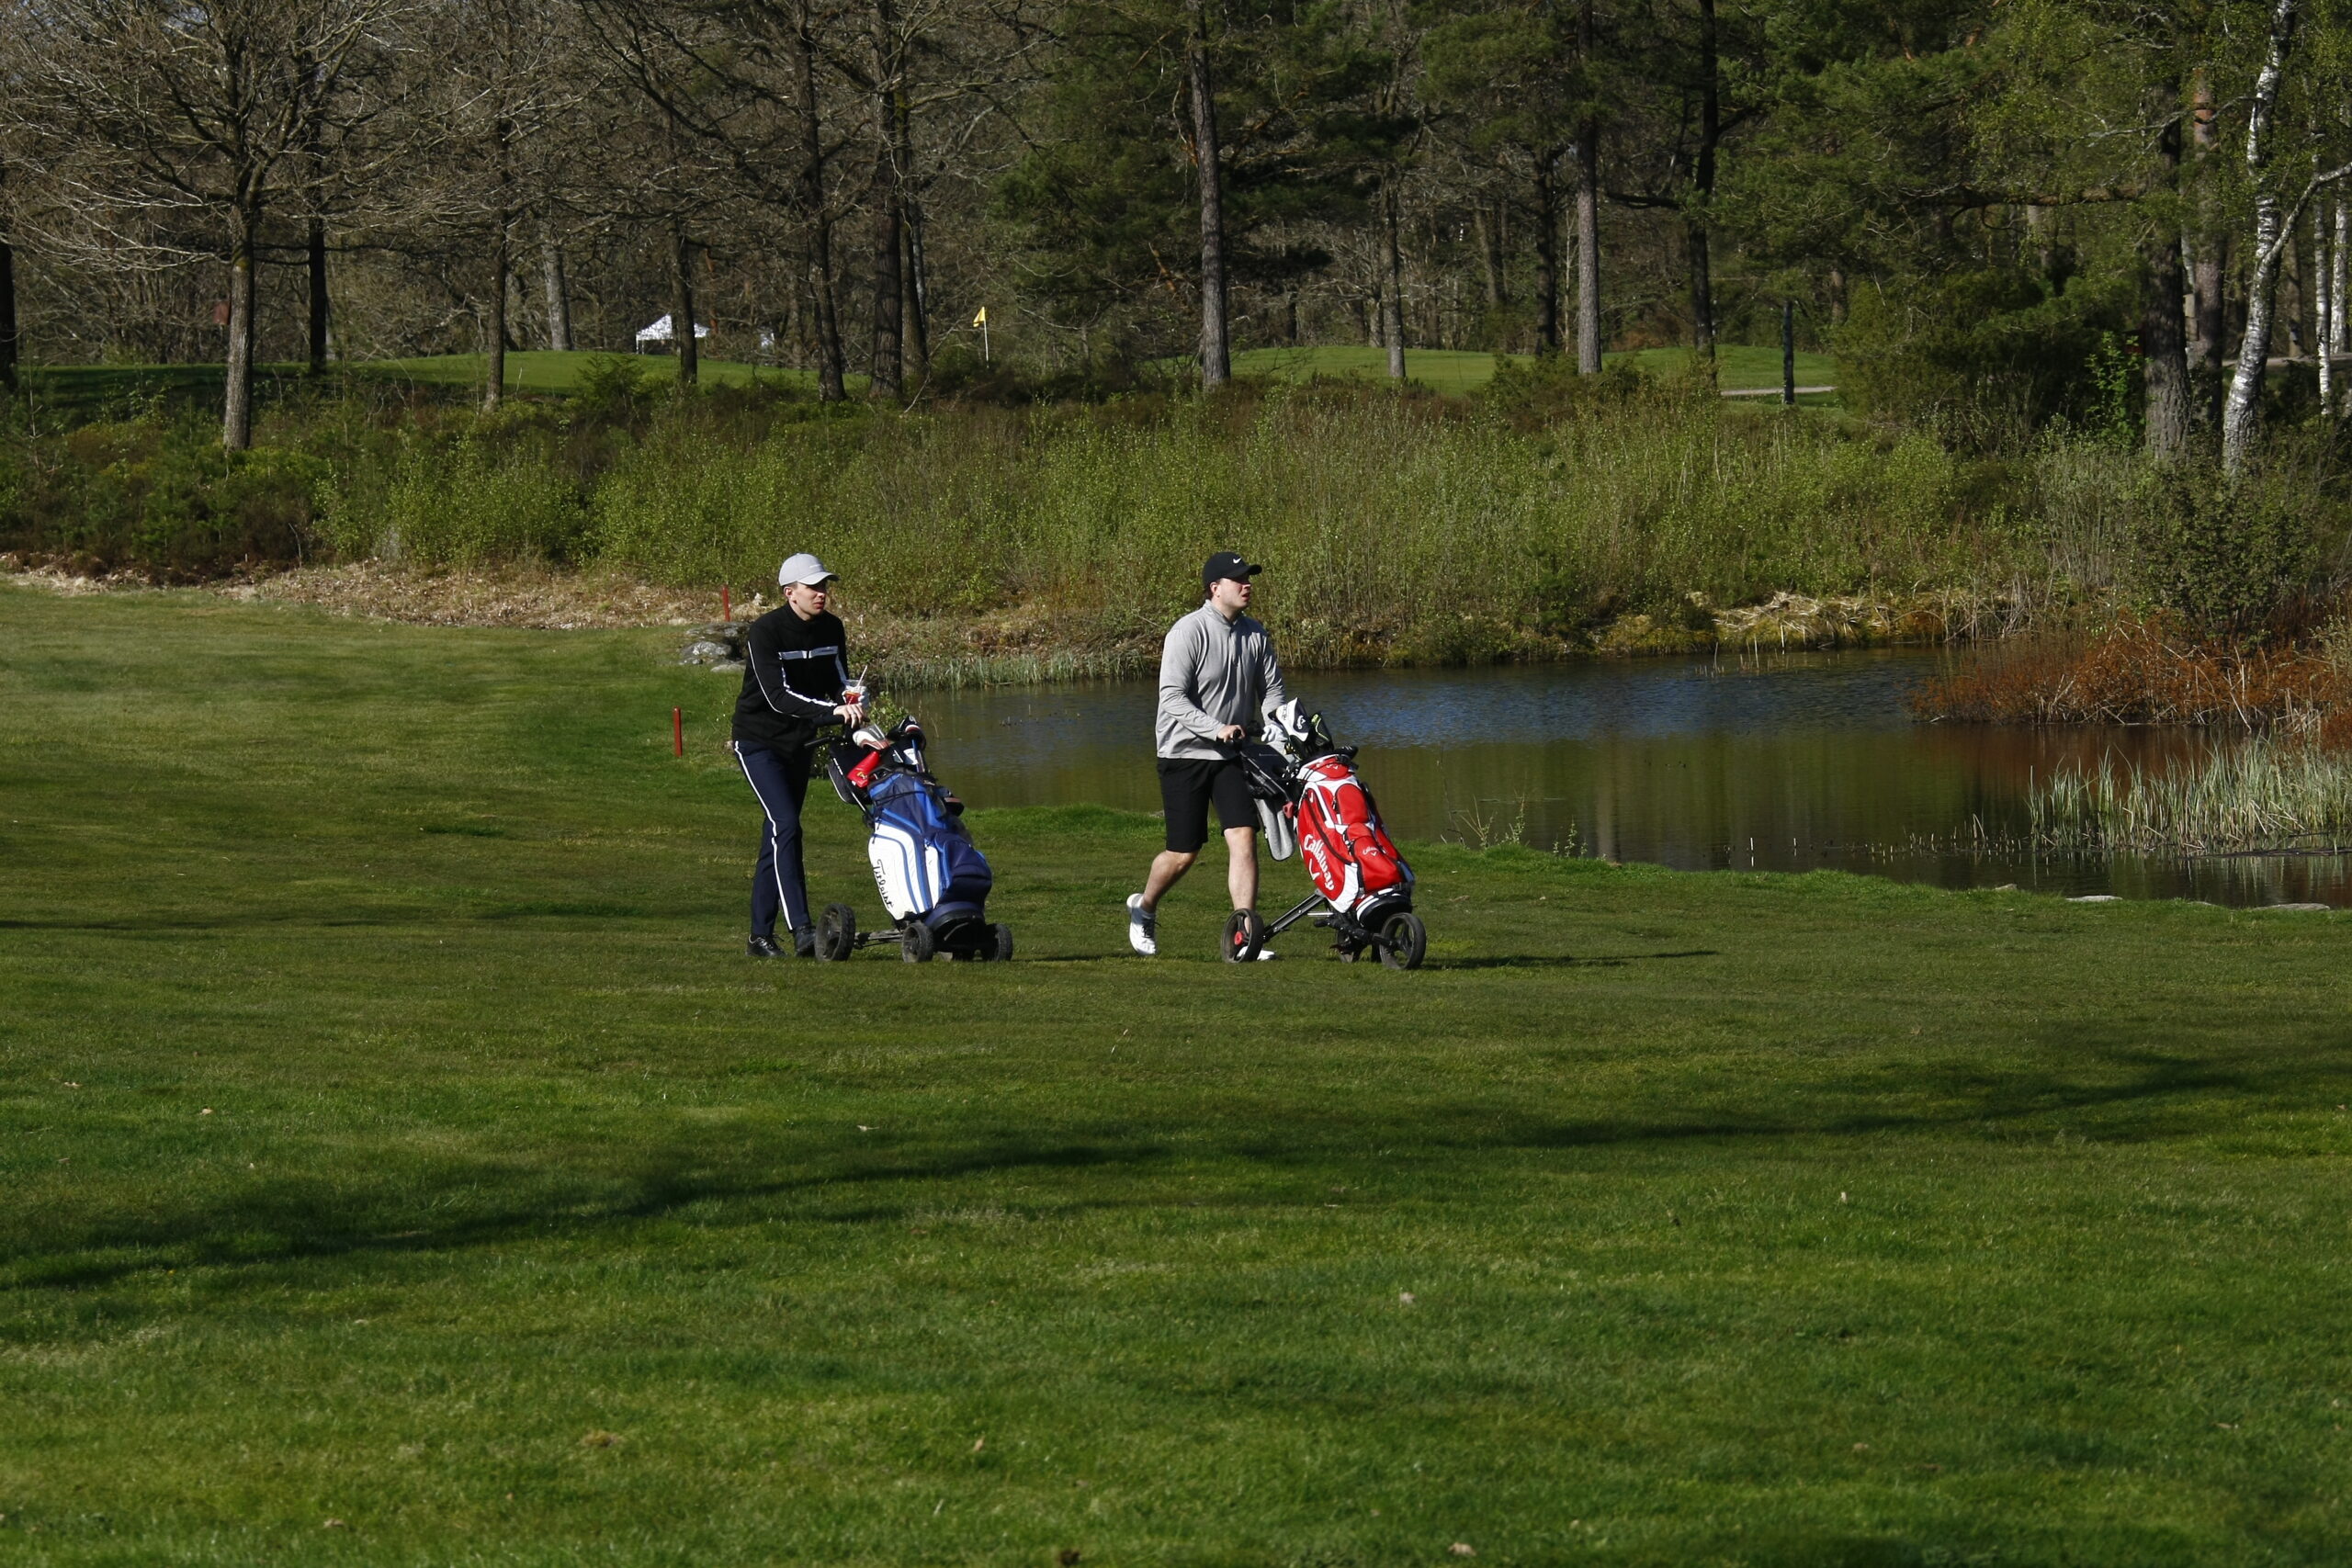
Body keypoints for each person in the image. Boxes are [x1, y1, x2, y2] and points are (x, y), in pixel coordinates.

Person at [1127, 551, 1288, 958]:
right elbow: (1171, 697)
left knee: (1244, 837)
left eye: (1249, 578)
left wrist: (1276, 723)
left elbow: (1272, 691)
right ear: (1215, 588)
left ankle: (1244, 936)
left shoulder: (1255, 634)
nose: (1247, 585)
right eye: (1239, 579)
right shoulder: (1188, 631)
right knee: (1183, 854)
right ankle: (1144, 907)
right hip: (1184, 753)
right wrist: (1216, 727)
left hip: (1232, 755)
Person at [732, 553, 865, 957]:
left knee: (778, 833)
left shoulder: (832, 628)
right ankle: (803, 930)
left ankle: (758, 938)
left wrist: (852, 702)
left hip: (799, 744)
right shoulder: (765, 631)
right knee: (787, 825)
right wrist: (832, 711)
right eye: (813, 587)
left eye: (824, 586)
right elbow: (778, 697)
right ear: (790, 593)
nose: (821, 593)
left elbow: (839, 682)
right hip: (758, 742)